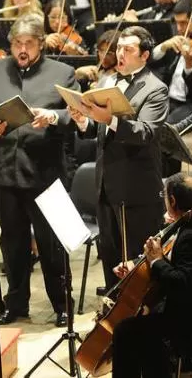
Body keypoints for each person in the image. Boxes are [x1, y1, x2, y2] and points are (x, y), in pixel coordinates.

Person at [0, 15, 79, 324]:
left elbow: (76, 114)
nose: (22, 50)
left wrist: (54, 116)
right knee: (13, 242)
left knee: (52, 243)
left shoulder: (63, 72)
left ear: (41, 44)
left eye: (29, 44)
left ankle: (63, 305)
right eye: (17, 44)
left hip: (47, 172)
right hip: (6, 170)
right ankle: (16, 303)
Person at [67, 25, 169, 290]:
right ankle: (113, 320)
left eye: (128, 49)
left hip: (136, 189)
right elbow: (98, 131)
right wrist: (83, 120)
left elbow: (146, 133)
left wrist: (109, 119)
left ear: (145, 55)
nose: (120, 54)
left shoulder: (156, 89)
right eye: (119, 48)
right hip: (106, 187)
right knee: (111, 261)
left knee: (135, 265)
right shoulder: (108, 81)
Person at [111, 173, 192, 377]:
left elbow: (180, 283)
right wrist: (138, 271)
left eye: (165, 197)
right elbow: (183, 275)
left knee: (125, 330)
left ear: (172, 200)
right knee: (143, 327)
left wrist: (156, 260)